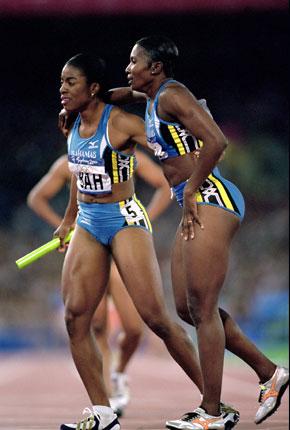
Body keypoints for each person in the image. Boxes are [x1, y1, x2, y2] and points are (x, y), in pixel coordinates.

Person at [105, 35, 289, 429]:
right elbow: (122, 93)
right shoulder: (152, 98)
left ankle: (211, 412)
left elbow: (216, 140)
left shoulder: (172, 94)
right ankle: (269, 372)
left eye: (133, 61)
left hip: (212, 197)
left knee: (203, 309)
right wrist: (89, 96)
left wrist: (189, 187)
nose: (127, 67)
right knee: (187, 309)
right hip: (195, 202)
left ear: (155, 68)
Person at [54, 52, 216, 430]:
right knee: (75, 318)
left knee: (156, 318)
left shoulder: (123, 123)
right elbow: (79, 173)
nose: (62, 90)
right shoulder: (71, 122)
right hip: (89, 222)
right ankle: (102, 412)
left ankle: (215, 402)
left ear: (93, 88)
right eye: (61, 82)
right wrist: (67, 220)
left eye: (70, 82)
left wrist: (196, 158)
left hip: (125, 219)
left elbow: (168, 142)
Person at [27, 148, 172, 416]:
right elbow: (36, 198)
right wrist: (65, 225)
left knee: (134, 328)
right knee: (98, 328)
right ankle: (108, 397)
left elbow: (164, 185)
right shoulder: (68, 163)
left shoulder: (124, 153)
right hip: (89, 243)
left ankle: (117, 373)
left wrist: (139, 222)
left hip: (120, 243)